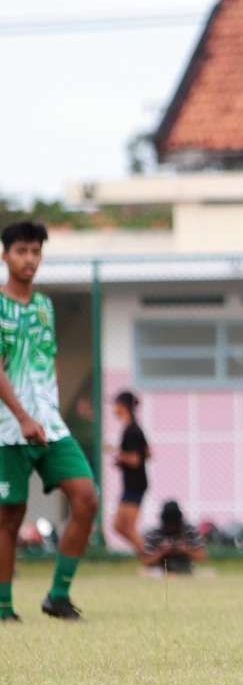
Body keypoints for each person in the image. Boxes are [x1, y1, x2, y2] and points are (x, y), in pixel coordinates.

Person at [0, 221, 99, 621]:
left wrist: (55, 409)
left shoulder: (44, 306)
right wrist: (22, 416)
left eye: (36, 252)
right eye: (22, 251)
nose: (30, 259)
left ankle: (57, 595)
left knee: (86, 498)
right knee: (10, 517)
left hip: (50, 426)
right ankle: (4, 607)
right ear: (5, 255)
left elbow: (46, 360)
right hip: (9, 428)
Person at [109, 390, 149, 557]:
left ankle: (154, 559)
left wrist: (118, 455)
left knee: (127, 527)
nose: (113, 409)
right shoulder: (133, 428)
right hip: (131, 484)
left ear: (123, 406)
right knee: (119, 526)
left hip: (135, 484)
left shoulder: (131, 430)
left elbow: (135, 460)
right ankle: (148, 557)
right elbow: (148, 452)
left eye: (115, 405)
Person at [139, 500, 206, 574]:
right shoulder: (154, 534)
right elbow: (146, 561)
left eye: (174, 523)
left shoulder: (190, 531)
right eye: (169, 523)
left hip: (186, 569)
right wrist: (161, 551)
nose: (172, 527)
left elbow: (201, 556)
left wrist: (185, 549)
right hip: (160, 571)